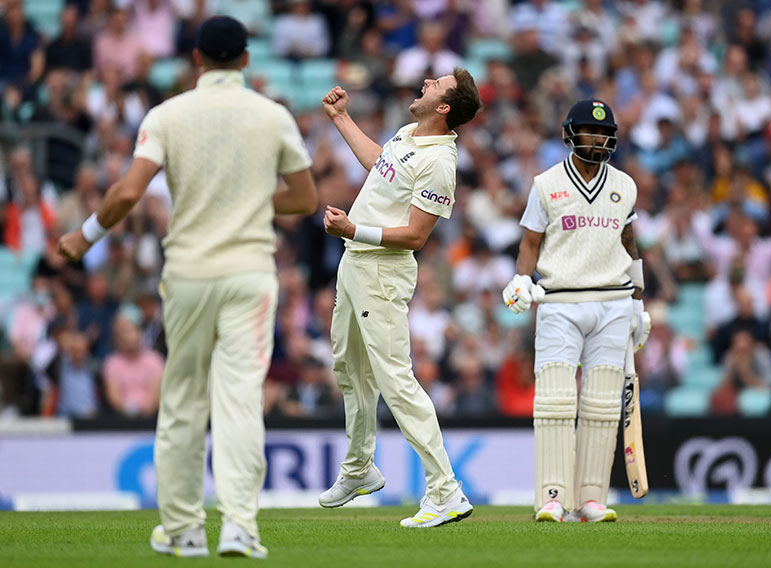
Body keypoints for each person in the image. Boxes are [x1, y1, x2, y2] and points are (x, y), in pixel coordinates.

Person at [57, 16, 317, 558]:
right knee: (240, 400)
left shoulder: (167, 114)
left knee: (182, 401)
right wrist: (248, 204)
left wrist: (84, 237)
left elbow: (127, 193)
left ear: (196, 58)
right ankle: (240, 526)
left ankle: (182, 530)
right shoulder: (273, 115)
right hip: (249, 274)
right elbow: (304, 199)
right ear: (246, 59)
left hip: (189, 275)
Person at [319, 68, 481, 527]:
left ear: (444, 107)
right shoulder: (410, 132)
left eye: (437, 84)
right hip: (355, 263)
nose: (427, 82)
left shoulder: (441, 163)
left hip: (381, 272)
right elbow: (381, 164)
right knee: (348, 367)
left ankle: (446, 491)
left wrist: (353, 228)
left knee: (395, 380)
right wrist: (341, 118)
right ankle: (359, 468)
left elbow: (415, 236)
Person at [501, 99, 648, 523]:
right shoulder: (546, 184)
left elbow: (629, 242)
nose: (598, 139)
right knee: (555, 401)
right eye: (590, 131)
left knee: (602, 405)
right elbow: (530, 242)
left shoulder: (625, 185)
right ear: (570, 134)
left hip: (613, 302)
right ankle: (552, 497)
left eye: (604, 133)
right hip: (560, 301)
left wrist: (639, 302)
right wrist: (521, 279)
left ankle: (590, 499)